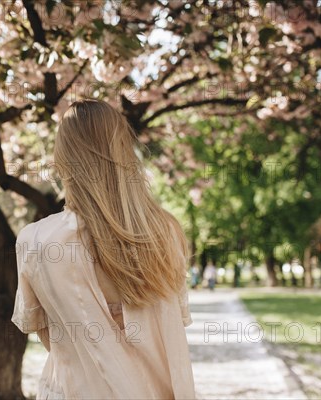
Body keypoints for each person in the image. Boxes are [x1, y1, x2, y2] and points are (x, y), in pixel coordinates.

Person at [11, 99, 196, 400]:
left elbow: (48, 335)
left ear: (62, 159)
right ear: (125, 151)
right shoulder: (166, 232)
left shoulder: (34, 241)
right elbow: (175, 327)